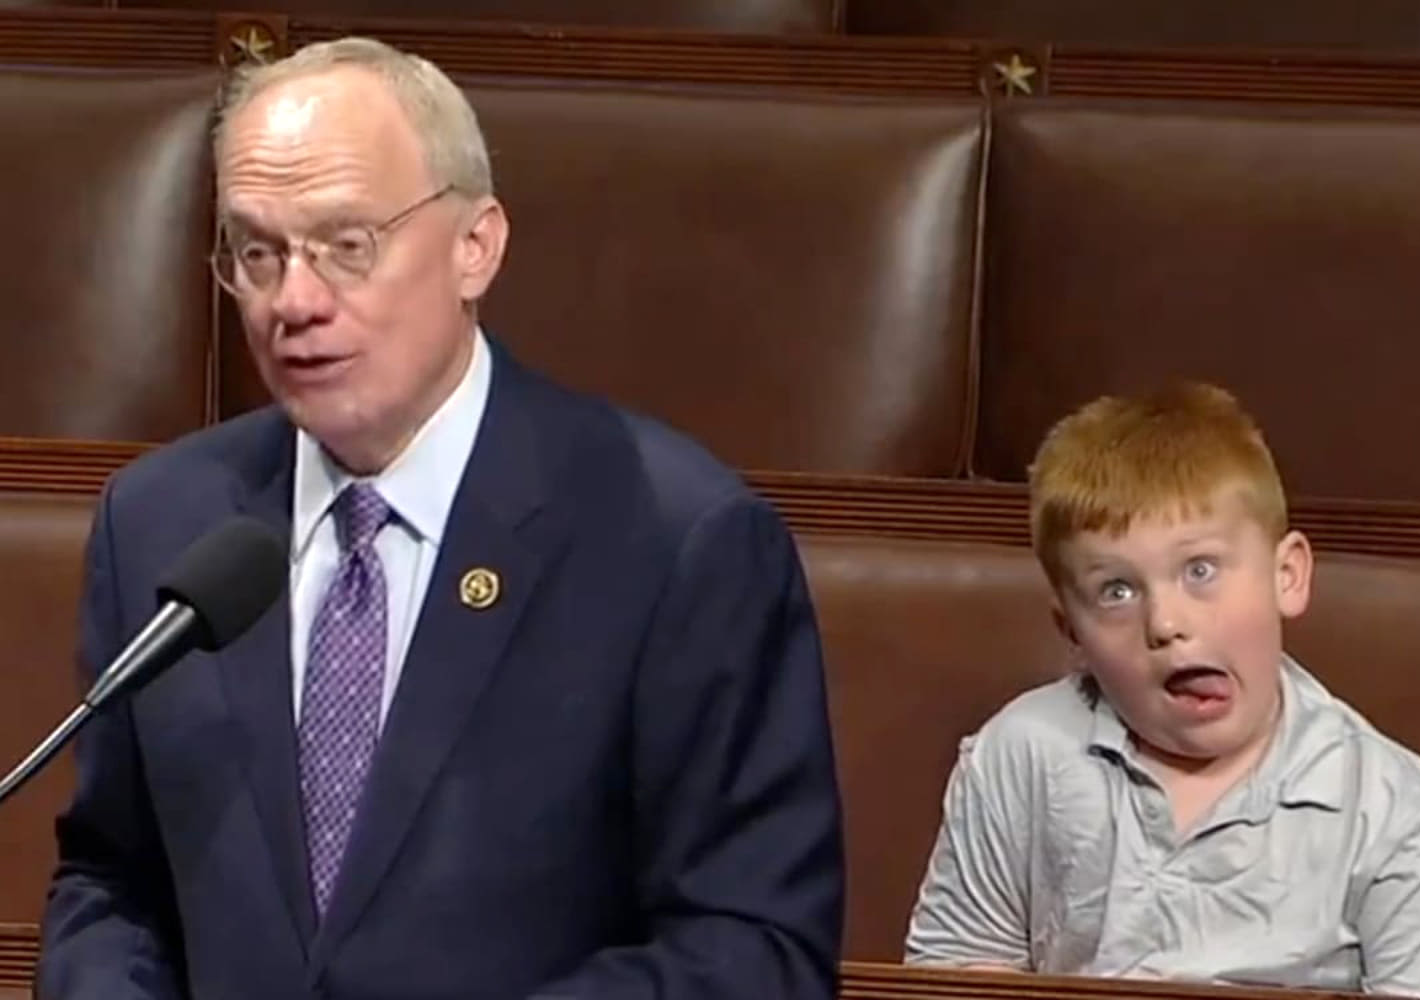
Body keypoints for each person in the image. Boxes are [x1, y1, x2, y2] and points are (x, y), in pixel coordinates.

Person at [37, 36, 844, 1000]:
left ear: (476, 247)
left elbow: (756, 946)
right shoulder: (162, 522)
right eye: (257, 252)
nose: (293, 301)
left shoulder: (677, 541)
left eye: (347, 246)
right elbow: (111, 879)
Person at [904, 383, 1420, 999]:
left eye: (1200, 570)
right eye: (1117, 592)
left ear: (1286, 576)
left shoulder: (1400, 810)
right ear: (1071, 631)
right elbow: (955, 971)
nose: (1165, 623)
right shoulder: (1018, 754)